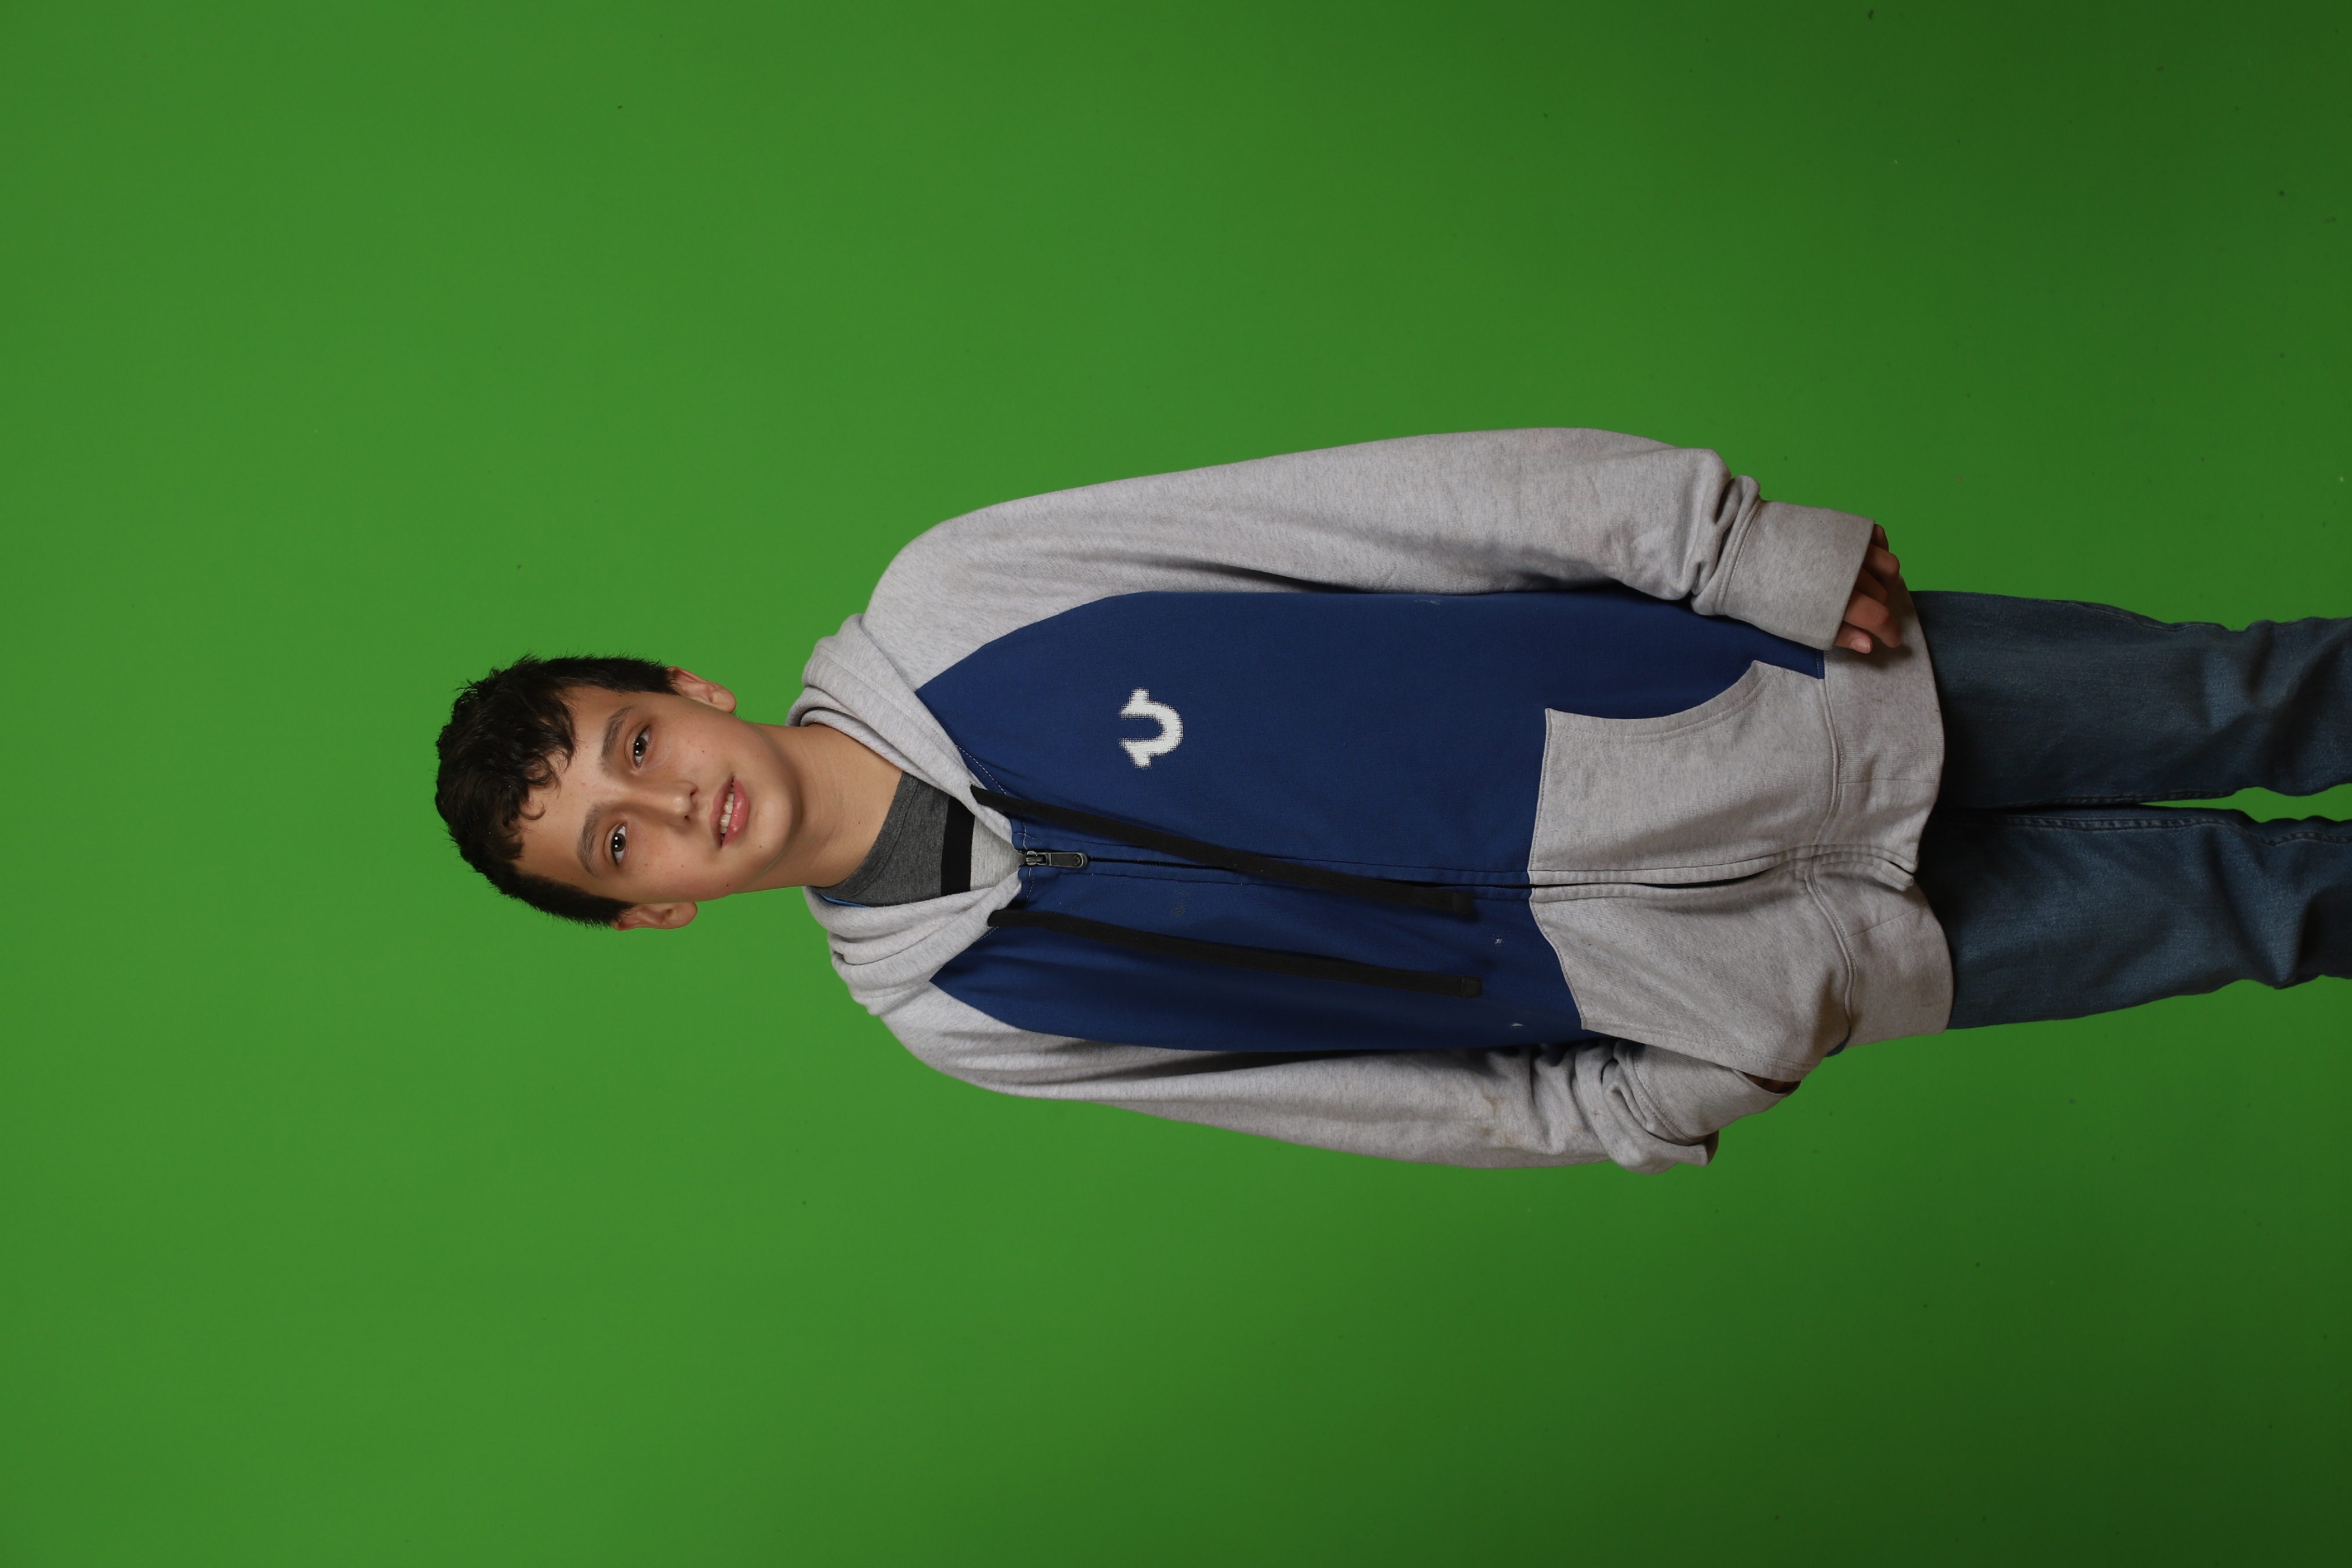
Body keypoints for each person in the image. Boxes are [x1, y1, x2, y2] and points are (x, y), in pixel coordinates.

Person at [433, 429, 2350, 1171]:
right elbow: (1353, 1099)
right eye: (621, 842)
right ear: (650, 910)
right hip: (1772, 968)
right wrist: (1629, 1109)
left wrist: (1722, 548)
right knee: (2266, 921)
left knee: (2258, 697)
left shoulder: (958, 596)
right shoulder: (960, 1019)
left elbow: (1375, 512)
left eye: (636, 748)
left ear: (683, 691)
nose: (670, 805)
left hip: (1756, 707)